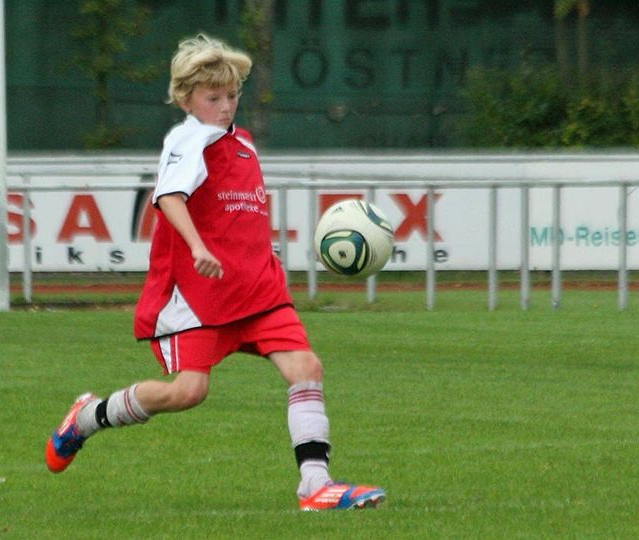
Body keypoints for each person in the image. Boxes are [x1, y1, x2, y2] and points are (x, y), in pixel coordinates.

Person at [45, 34, 385, 512]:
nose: (226, 106)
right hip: (200, 297)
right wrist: (199, 246)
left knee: (306, 368)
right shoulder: (190, 139)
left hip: (258, 290)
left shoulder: (242, 143)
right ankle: (87, 418)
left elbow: (238, 214)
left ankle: (314, 485)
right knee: (188, 392)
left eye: (232, 96)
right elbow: (168, 197)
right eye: (213, 98)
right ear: (187, 100)